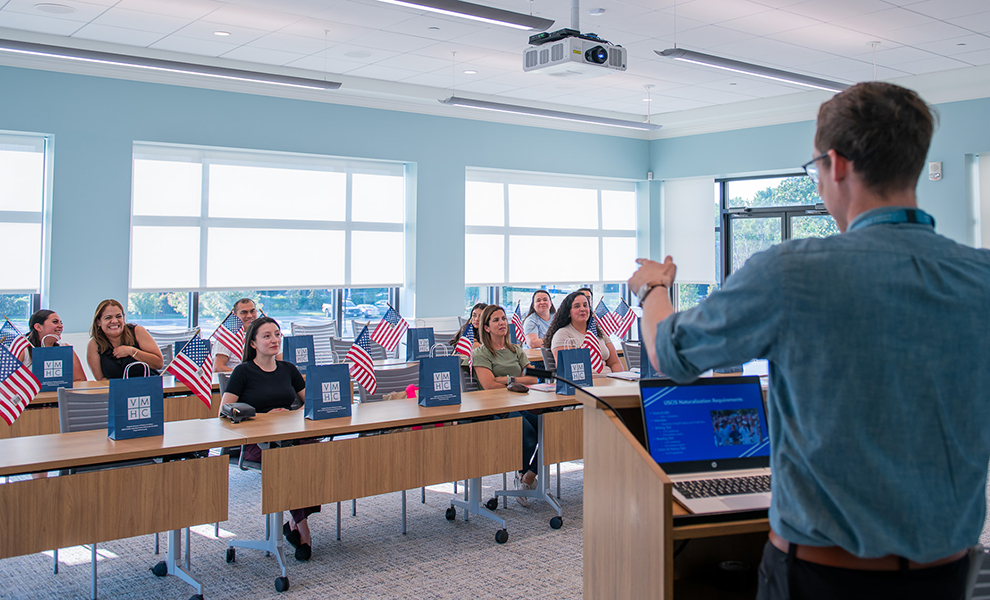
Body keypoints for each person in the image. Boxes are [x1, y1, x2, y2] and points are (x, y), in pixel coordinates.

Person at [630, 82, 990, 600]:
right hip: (949, 575)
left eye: (815, 169)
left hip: (821, 575)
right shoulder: (978, 277)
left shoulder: (793, 272)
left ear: (836, 164)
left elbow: (672, 354)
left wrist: (652, 291)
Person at [220, 316, 318, 561]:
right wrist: (265, 416)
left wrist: (291, 413)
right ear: (253, 343)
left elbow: (311, 403)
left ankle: (294, 525)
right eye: (267, 336)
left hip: (289, 438)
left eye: (277, 334)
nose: (274, 340)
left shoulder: (288, 369)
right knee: (291, 461)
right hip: (254, 443)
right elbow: (225, 410)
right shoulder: (243, 371)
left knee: (318, 455)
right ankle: (303, 530)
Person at [470, 305, 540, 504]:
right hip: (498, 408)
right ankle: (522, 473)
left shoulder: (515, 350)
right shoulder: (481, 353)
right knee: (529, 437)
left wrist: (506, 379)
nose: (502, 323)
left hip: (523, 402)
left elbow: (534, 379)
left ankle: (528, 475)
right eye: (495, 320)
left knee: (552, 430)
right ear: (486, 328)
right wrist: (516, 379)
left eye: (503, 319)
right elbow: (490, 385)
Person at [545, 291, 622, 374]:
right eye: (577, 306)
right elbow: (569, 369)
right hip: (585, 383)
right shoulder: (562, 334)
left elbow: (615, 363)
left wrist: (620, 379)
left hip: (609, 381)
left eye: (585, 305)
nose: (582, 309)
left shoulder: (599, 332)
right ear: (568, 312)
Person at [86, 299, 163, 380]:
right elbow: (100, 380)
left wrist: (131, 351)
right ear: (98, 322)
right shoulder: (94, 344)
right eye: (108, 318)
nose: (114, 321)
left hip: (148, 386)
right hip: (117, 390)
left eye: (118, 316)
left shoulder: (137, 331)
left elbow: (159, 363)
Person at [21, 309, 86, 382]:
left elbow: (80, 380)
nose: (61, 326)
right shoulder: (23, 350)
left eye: (61, 323)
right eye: (55, 322)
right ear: (38, 327)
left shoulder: (65, 348)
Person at [214, 298, 259, 373]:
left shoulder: (265, 334)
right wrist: (244, 375)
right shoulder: (226, 337)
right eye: (244, 312)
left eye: (252, 311)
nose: (249, 315)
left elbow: (279, 360)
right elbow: (218, 367)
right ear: (235, 316)